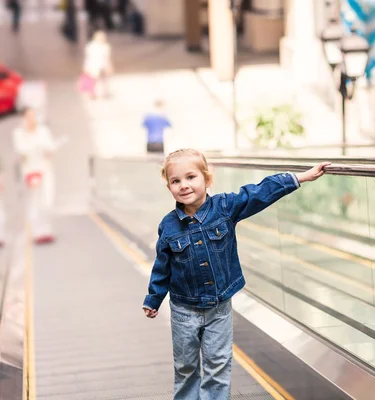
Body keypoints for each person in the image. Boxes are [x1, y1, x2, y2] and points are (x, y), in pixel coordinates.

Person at [142, 149, 329, 399]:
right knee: (186, 368)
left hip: (219, 308)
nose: (184, 186)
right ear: (169, 186)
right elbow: (162, 266)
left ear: (207, 180)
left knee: (217, 365)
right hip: (184, 310)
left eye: (191, 177)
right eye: (176, 181)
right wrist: (153, 299)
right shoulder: (168, 225)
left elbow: (259, 192)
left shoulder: (225, 207)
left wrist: (300, 178)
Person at [13, 108, 64, 244]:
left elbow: (50, 148)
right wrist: (37, 147)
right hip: (29, 171)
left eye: (33, 116)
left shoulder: (43, 131)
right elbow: (21, 151)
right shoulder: (19, 133)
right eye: (28, 116)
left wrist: (43, 149)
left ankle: (46, 229)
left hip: (45, 169)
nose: (32, 119)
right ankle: (37, 232)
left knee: (47, 200)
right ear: (23, 118)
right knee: (34, 201)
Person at [83, 30, 113, 99]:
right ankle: (92, 93)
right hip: (93, 66)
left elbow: (107, 58)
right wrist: (86, 67)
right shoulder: (91, 46)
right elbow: (88, 58)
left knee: (103, 80)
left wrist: (109, 67)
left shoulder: (106, 47)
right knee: (93, 80)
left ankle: (104, 92)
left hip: (103, 65)